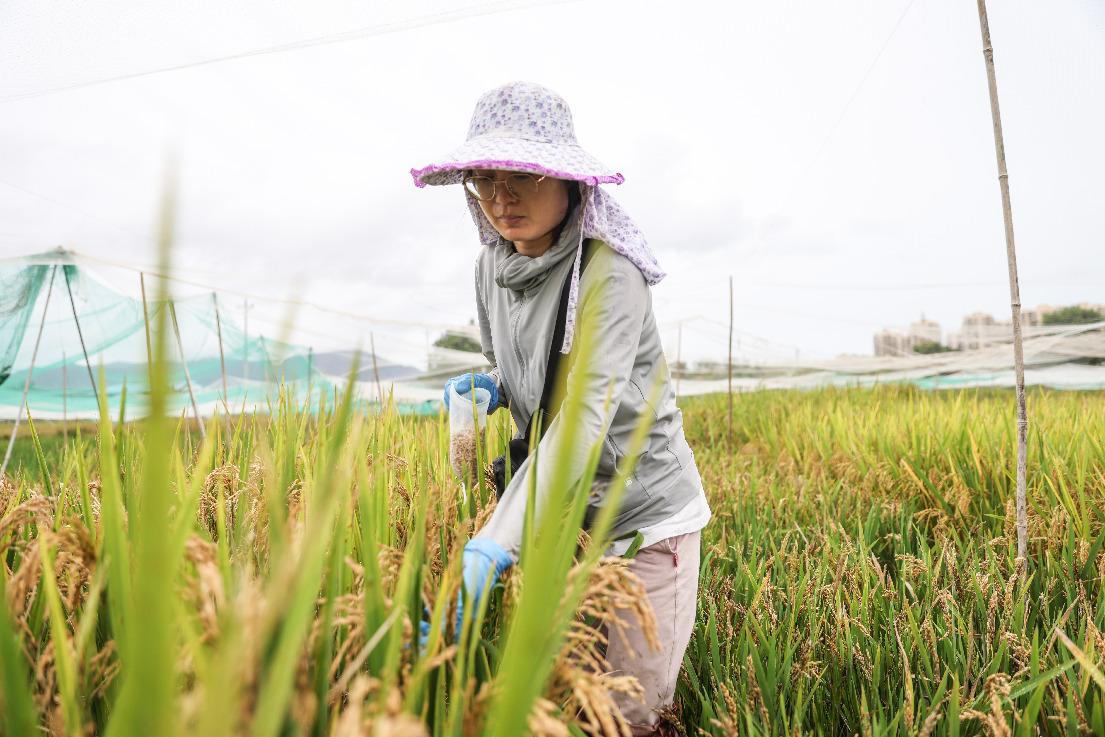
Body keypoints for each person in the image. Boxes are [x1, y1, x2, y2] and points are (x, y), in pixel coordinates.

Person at [410, 81, 711, 736]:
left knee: (627, 712)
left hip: (641, 516)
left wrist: (493, 544)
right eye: (484, 179)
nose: (500, 197)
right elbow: (524, 363)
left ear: (568, 179)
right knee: (573, 695)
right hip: (562, 517)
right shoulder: (491, 268)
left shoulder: (610, 271)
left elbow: (583, 417)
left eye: (521, 175)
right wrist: (493, 386)